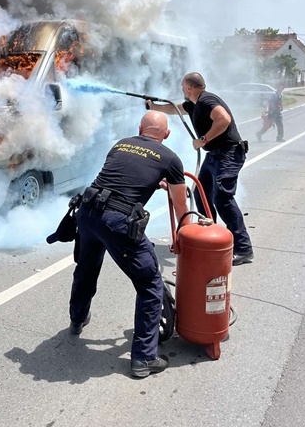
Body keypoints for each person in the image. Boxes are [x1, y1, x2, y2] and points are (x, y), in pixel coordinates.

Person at [69, 111, 190, 378]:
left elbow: (124, 175)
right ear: (166, 135)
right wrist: (185, 232)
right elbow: (181, 204)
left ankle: (77, 319)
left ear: (140, 129)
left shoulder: (120, 143)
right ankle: (144, 359)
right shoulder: (170, 158)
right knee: (149, 284)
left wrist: (153, 181)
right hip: (118, 221)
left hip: (88, 212)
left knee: (86, 268)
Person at [148, 72, 254, 266]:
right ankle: (209, 237)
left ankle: (244, 249)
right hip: (215, 155)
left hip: (228, 154)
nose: (181, 89)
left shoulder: (206, 100)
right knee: (201, 194)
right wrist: (154, 107)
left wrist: (203, 140)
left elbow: (223, 119)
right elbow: (177, 109)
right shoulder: (195, 104)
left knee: (222, 198)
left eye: (182, 86)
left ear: (189, 87)